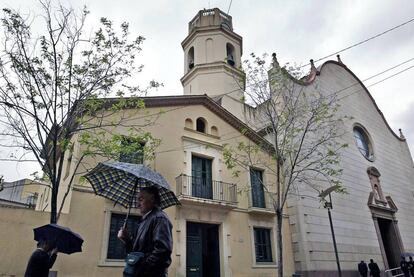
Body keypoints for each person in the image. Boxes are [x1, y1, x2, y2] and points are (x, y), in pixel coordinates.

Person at [118, 186, 173, 277]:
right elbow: (135, 251)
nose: (137, 204)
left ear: (152, 199)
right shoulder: (144, 221)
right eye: (137, 200)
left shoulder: (160, 218)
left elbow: (162, 252)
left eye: (141, 199)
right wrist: (126, 239)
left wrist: (140, 270)